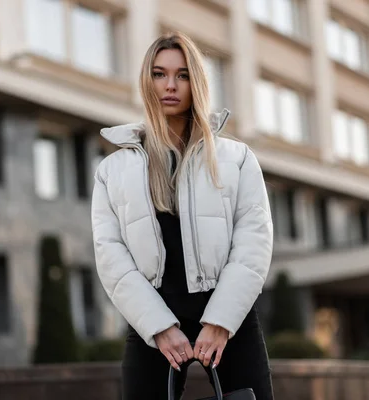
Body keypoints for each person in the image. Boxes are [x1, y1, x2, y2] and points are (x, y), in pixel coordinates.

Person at [91, 31, 274, 399]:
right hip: (152, 322)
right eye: (159, 74)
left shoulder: (236, 159)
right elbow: (111, 256)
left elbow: (253, 243)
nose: (170, 85)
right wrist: (158, 327)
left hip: (230, 320)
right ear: (147, 81)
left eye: (183, 74)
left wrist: (220, 322)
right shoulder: (113, 170)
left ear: (197, 82)